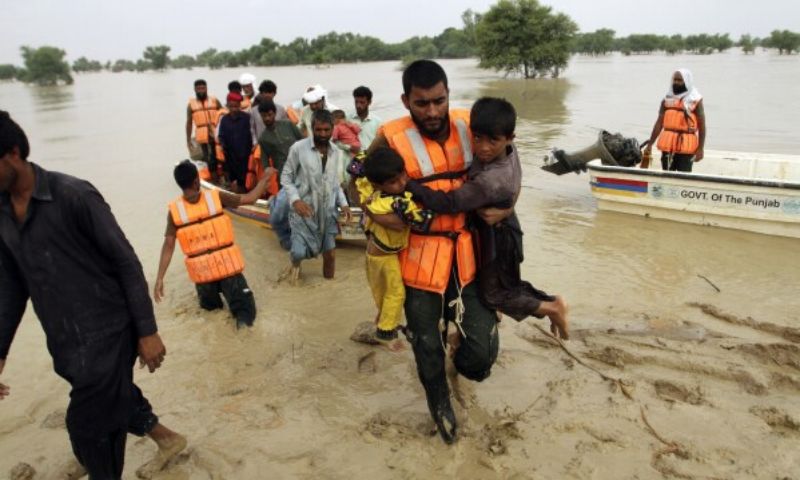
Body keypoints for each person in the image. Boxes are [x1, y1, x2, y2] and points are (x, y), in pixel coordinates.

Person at [0, 111, 186, 479]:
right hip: (65, 341)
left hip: (111, 332)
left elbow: (126, 263)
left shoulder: (73, 196)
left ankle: (96, 463)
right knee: (110, 400)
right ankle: (167, 439)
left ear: (13, 154)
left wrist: (147, 332)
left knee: (89, 427)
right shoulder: (2, 214)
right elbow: (11, 287)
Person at [367, 60, 500, 444]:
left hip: (467, 255)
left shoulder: (470, 124)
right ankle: (439, 403)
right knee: (426, 344)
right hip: (417, 260)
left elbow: (509, 163)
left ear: (448, 94)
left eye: (439, 101)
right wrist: (377, 217)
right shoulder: (388, 137)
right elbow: (357, 183)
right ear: (406, 99)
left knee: (482, 356)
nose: (432, 112)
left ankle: (460, 357)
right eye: (421, 103)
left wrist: (507, 207)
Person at [405, 97, 570, 339]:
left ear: (510, 138)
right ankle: (550, 304)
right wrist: (509, 205)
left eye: (493, 141)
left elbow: (449, 203)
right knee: (505, 284)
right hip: (502, 225)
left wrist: (408, 183)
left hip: (500, 237)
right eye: (477, 138)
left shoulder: (492, 180)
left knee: (494, 294)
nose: (483, 148)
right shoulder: (508, 151)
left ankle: (551, 307)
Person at [154, 160, 274, 329]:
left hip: (204, 277)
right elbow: (250, 198)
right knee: (245, 316)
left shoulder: (174, 212)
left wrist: (160, 278)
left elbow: (168, 244)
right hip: (227, 269)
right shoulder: (216, 196)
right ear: (197, 181)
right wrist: (265, 178)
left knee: (212, 317)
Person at [356, 148, 432, 351]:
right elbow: (418, 221)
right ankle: (386, 333)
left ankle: (383, 322)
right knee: (396, 293)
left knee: (384, 293)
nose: (401, 183)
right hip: (383, 256)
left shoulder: (373, 194)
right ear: (378, 185)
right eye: (393, 182)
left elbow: (359, 177)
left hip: (377, 255)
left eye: (403, 176)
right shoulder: (395, 202)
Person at [279, 109, 351, 284]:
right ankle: (295, 265)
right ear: (312, 128)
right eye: (318, 130)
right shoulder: (298, 148)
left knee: (331, 254)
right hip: (305, 210)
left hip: (328, 213)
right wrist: (296, 200)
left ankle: (330, 288)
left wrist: (344, 204)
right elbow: (286, 177)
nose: (323, 134)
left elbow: (335, 183)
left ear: (332, 128)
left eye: (327, 130)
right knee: (298, 253)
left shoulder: (336, 152)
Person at [643, 68, 706, 172]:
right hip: (668, 146)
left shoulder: (695, 99)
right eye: (674, 80)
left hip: (687, 146)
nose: (676, 82)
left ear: (687, 81)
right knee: (667, 174)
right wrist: (650, 144)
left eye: (679, 80)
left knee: (684, 176)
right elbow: (659, 123)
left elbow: (702, 125)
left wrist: (700, 148)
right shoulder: (667, 99)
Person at [217, 92, 254, 192]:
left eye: (236, 106)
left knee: (247, 178)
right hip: (231, 156)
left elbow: (253, 134)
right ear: (228, 106)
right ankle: (237, 194)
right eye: (231, 106)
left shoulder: (247, 118)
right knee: (233, 178)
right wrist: (222, 146)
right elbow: (221, 135)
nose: (234, 109)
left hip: (246, 154)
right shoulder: (224, 120)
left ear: (240, 105)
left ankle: (248, 193)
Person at [186, 79, 222, 180]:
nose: (201, 90)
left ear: (206, 88)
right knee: (209, 158)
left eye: (203, 88)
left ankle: (222, 176)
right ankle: (215, 179)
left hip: (216, 134)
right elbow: (189, 123)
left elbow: (223, 114)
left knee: (220, 156)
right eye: (198, 88)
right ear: (195, 89)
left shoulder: (214, 100)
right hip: (202, 136)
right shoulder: (191, 105)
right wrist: (188, 140)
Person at [258, 99, 303, 179]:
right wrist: (269, 171)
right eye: (264, 116)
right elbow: (265, 162)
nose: (267, 118)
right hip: (283, 174)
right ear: (261, 116)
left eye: (269, 115)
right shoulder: (263, 138)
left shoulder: (288, 124)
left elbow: (303, 141)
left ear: (274, 114)